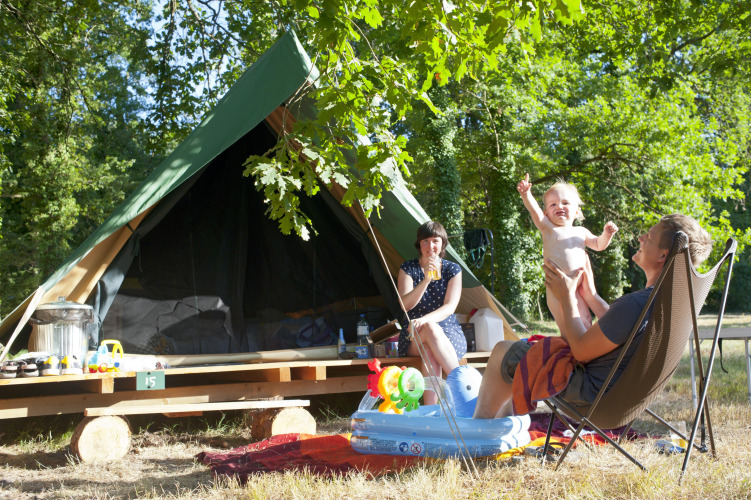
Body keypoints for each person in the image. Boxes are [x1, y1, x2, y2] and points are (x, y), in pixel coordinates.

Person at [474, 214, 713, 418]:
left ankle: (479, 430)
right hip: (625, 402)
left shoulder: (636, 304)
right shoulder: (667, 302)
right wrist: (590, 296)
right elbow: (623, 330)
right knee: (524, 351)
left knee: (505, 350)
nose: (640, 239)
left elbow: (579, 350)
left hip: (590, 398)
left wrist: (566, 295)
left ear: (663, 256)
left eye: (648, 237)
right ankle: (504, 426)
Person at [517, 173, 619, 330]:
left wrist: (607, 234)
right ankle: (571, 346)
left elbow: (599, 245)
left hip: (578, 287)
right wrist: (526, 194)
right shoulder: (548, 228)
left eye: (565, 203)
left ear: (577, 211)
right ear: (545, 213)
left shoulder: (581, 231)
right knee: (567, 326)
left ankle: (586, 348)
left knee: (585, 321)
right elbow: (534, 210)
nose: (559, 206)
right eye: (552, 204)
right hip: (557, 289)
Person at [397, 221, 465, 403]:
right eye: (425, 241)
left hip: (448, 333)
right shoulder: (408, 268)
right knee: (428, 333)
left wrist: (425, 320)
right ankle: (463, 386)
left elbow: (449, 308)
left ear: (442, 243)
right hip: (413, 334)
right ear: (419, 244)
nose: (430, 246)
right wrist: (426, 280)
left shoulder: (453, 269)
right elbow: (405, 305)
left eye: (435, 241)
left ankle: (430, 409)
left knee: (430, 340)